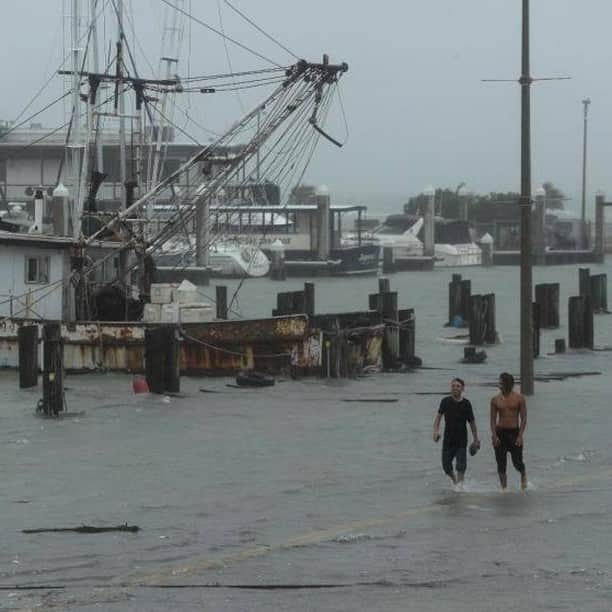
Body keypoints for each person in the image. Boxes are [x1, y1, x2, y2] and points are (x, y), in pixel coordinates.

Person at [433, 378, 480, 485]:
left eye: (458, 386)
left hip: (461, 441)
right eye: (453, 386)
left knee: (460, 467)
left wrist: (476, 439)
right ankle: (454, 481)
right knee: (446, 467)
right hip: (448, 440)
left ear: (462, 388)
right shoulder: (445, 401)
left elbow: (472, 423)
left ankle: (460, 489)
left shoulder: (466, 404)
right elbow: (438, 418)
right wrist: (435, 431)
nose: (455, 388)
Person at [490, 372, 528, 490]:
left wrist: (520, 436)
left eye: (501, 382)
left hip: (514, 433)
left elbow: (524, 418)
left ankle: (523, 474)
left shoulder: (519, 398)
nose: (499, 384)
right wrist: (494, 435)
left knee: (517, 462)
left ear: (507, 384)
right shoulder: (495, 399)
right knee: (501, 464)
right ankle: (504, 489)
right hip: (500, 432)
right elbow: (492, 419)